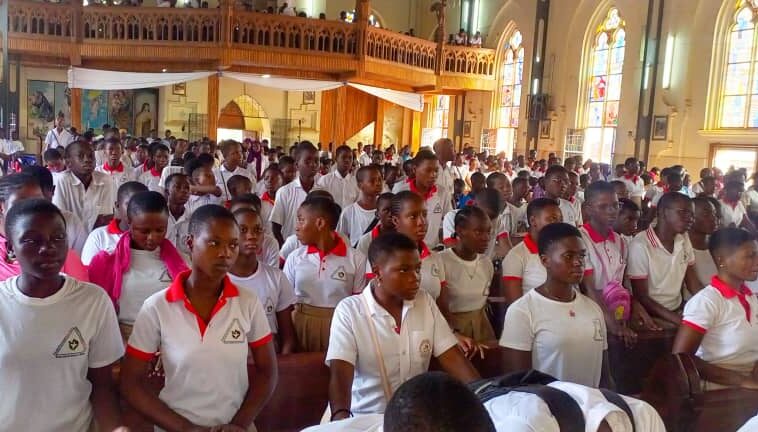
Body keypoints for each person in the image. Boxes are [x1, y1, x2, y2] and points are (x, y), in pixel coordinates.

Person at [120, 205, 278, 431]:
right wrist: (186, 428)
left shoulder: (247, 302)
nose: (226, 253)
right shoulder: (157, 307)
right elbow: (131, 382)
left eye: (233, 244)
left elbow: (268, 371)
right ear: (190, 243)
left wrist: (240, 424)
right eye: (214, 243)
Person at [0, 198, 125, 431]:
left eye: (58, 238)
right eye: (31, 240)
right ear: (10, 248)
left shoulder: (93, 302)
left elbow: (102, 386)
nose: (47, 248)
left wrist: (115, 428)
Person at [326, 232, 480, 419]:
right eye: (403, 270)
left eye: (417, 268)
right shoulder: (349, 311)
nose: (415, 277)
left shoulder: (425, 302)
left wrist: (486, 397)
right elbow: (341, 374)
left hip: (413, 419)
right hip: (366, 418)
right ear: (377, 273)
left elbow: (452, 358)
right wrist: (341, 419)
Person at [500, 223, 610, 388]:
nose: (578, 263)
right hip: (548, 409)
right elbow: (518, 384)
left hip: (591, 408)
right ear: (545, 260)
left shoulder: (593, 309)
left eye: (581, 255)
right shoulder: (522, 311)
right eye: (568, 256)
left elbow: (604, 377)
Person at [88, 191, 188, 340]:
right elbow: (96, 309)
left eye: (160, 230)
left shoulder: (181, 262)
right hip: (123, 337)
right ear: (129, 222)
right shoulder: (107, 261)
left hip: (170, 336)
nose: (152, 237)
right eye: (144, 231)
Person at [673, 228, 758, 390]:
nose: (757, 260)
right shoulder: (706, 302)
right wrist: (741, 380)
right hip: (720, 388)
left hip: (750, 382)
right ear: (722, 260)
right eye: (750, 256)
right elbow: (681, 358)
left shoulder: (750, 298)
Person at [284, 197, 367, 352]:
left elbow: (358, 305)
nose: (296, 227)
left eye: (301, 220)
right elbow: (285, 304)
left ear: (320, 223)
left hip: (340, 325)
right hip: (301, 325)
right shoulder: (295, 257)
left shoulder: (356, 259)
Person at [628, 192, 702, 327]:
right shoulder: (640, 245)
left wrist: (714, 303)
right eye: (683, 212)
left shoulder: (683, 239)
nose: (690, 219)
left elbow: (693, 283)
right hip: (651, 315)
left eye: (691, 214)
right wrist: (679, 321)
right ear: (662, 212)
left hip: (677, 310)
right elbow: (642, 297)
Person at [229, 207, 297, 354]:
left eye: (258, 230)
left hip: (269, 360)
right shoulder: (218, 280)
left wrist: (280, 368)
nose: (252, 236)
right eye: (243, 230)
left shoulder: (277, 277)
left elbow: (287, 336)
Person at [579, 181, 639, 346]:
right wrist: (613, 325)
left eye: (615, 205)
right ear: (588, 209)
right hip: (592, 317)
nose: (612, 212)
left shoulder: (620, 241)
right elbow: (589, 289)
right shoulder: (580, 240)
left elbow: (622, 283)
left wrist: (627, 313)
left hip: (617, 314)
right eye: (603, 207)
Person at [502, 198, 593, 303]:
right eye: (552, 219)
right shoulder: (517, 256)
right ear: (533, 221)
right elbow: (515, 303)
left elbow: (583, 287)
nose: (558, 224)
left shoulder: (570, 250)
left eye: (560, 219)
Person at [0, 174, 88, 281]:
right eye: (21, 203)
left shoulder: (64, 256)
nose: (32, 211)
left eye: (39, 202)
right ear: (1, 207)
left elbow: (81, 294)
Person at [439, 207, 495, 342]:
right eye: (478, 232)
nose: (486, 238)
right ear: (459, 230)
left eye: (488, 232)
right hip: (452, 331)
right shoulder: (441, 261)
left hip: (482, 327)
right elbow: (439, 306)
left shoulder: (486, 263)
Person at [392, 150, 451, 248]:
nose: (433, 175)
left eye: (436, 171)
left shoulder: (442, 193)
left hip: (432, 250)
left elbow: (448, 219)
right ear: (415, 169)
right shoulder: (401, 191)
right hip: (406, 249)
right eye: (428, 170)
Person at [53, 140, 115, 231]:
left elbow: (104, 219)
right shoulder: (62, 181)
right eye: (81, 156)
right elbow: (60, 219)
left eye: (91, 156)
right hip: (69, 239)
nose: (87, 160)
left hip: (95, 238)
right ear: (68, 162)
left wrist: (91, 242)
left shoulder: (105, 180)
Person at [81, 181, 148, 265]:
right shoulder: (99, 237)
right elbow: (87, 274)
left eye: (142, 204)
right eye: (129, 204)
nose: (137, 210)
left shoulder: (155, 236)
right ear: (117, 206)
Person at [271, 141, 319, 245]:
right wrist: (283, 247)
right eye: (308, 161)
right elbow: (276, 226)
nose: (313, 164)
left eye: (316, 161)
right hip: (290, 249)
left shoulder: (322, 192)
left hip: (315, 251)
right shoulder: (285, 192)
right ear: (297, 165)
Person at [337, 165, 383, 245]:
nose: (378, 183)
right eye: (372, 181)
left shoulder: (386, 210)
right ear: (360, 185)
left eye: (380, 180)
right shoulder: (349, 212)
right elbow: (340, 239)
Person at [690, 197, 722, 288]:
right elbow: (694, 288)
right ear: (690, 218)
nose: (714, 218)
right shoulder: (683, 247)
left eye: (714, 213)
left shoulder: (716, 243)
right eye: (706, 214)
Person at [316, 145, 359, 209]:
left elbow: (357, 204)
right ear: (336, 159)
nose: (347, 160)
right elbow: (319, 203)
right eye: (343, 157)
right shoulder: (325, 180)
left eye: (350, 158)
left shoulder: (356, 182)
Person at [355, 192, 395, 256]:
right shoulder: (366, 241)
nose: (391, 214)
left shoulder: (406, 236)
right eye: (386, 210)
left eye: (394, 210)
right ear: (377, 215)